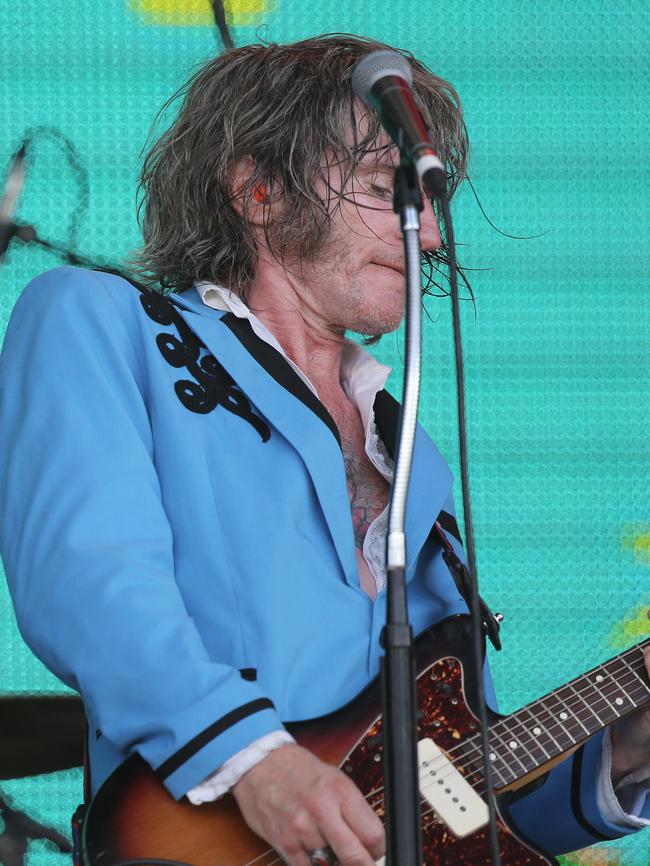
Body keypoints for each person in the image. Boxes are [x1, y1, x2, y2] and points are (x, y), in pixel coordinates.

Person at [0, 33, 648, 866]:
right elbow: (90, 580)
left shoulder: (410, 451)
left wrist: (620, 760)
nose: (433, 239)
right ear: (260, 191)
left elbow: (453, 795)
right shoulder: (100, 323)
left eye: (433, 204)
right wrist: (258, 765)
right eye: (392, 190)